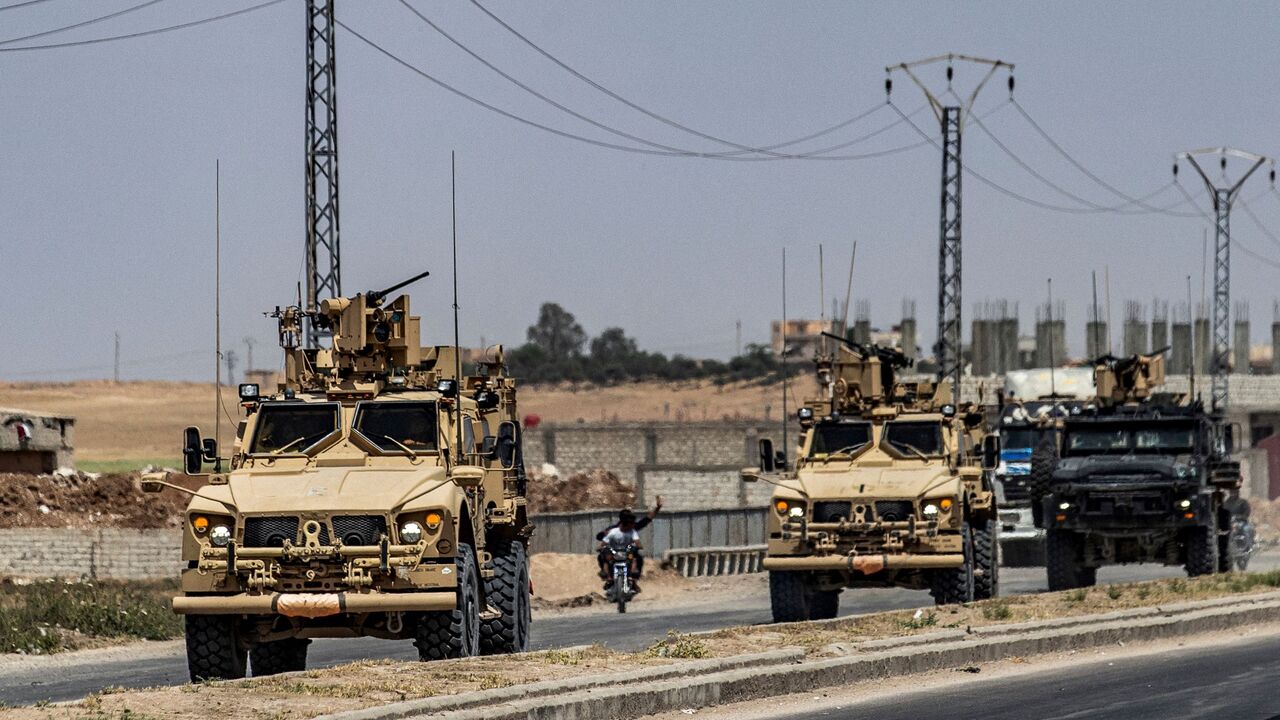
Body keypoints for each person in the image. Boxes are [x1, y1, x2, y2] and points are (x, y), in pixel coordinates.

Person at [596, 496, 663, 588]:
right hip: (615, 553)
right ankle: (607, 575)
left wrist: (657, 508)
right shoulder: (613, 530)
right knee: (602, 556)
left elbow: (647, 519)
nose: (631, 523)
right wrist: (603, 538)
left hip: (627, 553)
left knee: (638, 558)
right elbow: (601, 536)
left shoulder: (632, 528)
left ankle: (634, 579)